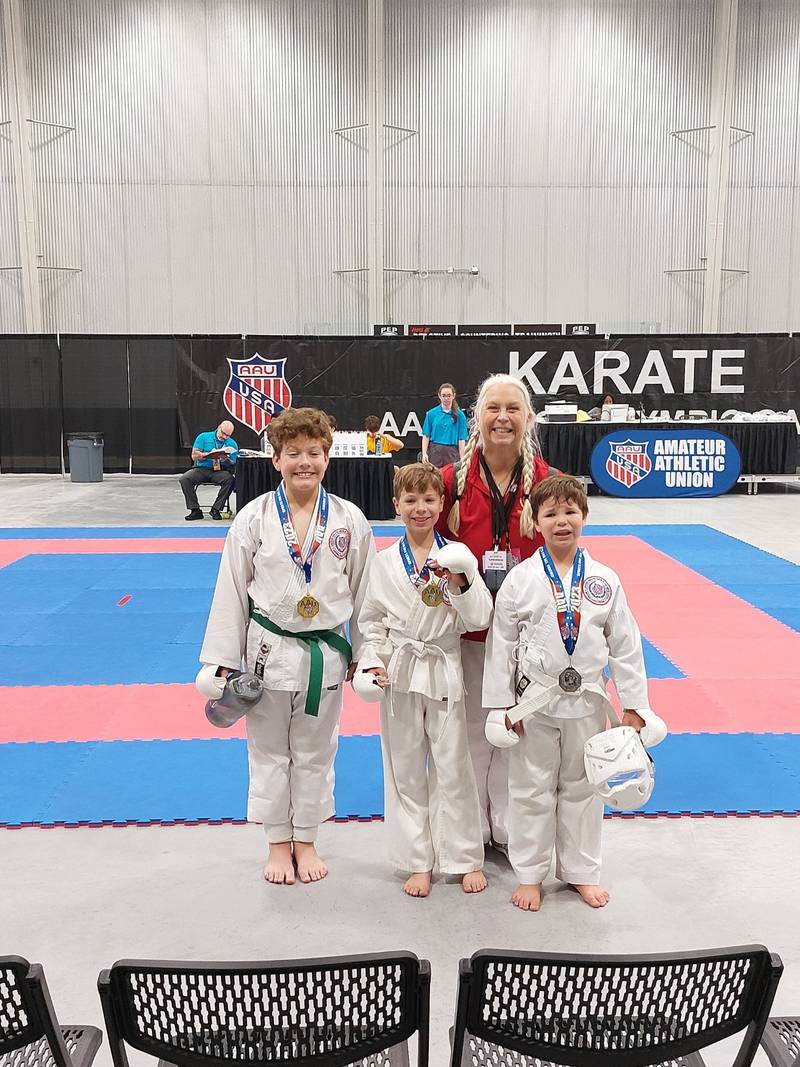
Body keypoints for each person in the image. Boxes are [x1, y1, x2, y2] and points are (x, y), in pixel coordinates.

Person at [199, 408, 375, 885]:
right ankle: (278, 841)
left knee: (318, 752)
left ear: (327, 457)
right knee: (269, 751)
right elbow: (232, 590)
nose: (304, 462)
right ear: (275, 459)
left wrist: (367, 657)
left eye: (314, 453)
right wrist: (219, 662)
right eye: (293, 453)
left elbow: (365, 595)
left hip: (326, 655)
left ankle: (307, 838)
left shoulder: (349, 519)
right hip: (266, 656)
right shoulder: (252, 518)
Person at [483, 475, 649, 911]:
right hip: (534, 702)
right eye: (551, 514)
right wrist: (501, 707)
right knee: (530, 788)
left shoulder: (604, 580)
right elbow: (501, 647)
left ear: (585, 517)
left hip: (588, 701)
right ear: (534, 521)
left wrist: (634, 706)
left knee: (583, 787)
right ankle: (530, 874)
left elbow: (626, 644)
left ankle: (580, 871)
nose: (562, 522)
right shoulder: (519, 580)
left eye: (570, 512)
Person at [356, 463, 492, 898]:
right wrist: (371, 664)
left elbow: (480, 618)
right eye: (410, 501)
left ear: (441, 504)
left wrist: (460, 583)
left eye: (429, 500)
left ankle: (464, 857)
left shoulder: (458, 556)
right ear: (396, 506)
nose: (420, 509)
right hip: (400, 672)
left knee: (455, 765)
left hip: (444, 668)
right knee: (406, 770)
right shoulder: (381, 563)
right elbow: (371, 623)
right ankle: (418, 861)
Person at [435, 373, 555, 852]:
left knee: (517, 730)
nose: (502, 417)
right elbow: (423, 548)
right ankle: (469, 828)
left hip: (526, 639)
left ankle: (507, 825)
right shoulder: (448, 483)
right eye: (492, 408)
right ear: (475, 418)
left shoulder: (548, 483)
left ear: (528, 418)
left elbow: (563, 559)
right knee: (467, 735)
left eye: (513, 408)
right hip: (464, 632)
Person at [180, 420, 239, 520]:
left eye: (227, 435)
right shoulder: (203, 437)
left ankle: (216, 509)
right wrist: (206, 455)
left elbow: (234, 463)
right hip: (202, 469)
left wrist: (227, 459)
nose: (224, 437)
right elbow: (194, 456)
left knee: (230, 480)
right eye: (223, 433)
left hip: (219, 471)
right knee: (185, 479)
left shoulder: (232, 444)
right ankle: (195, 510)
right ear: (219, 427)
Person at [421, 383, 468, 467]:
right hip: (435, 451)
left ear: (453, 396)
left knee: (450, 477)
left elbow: (461, 439)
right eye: (444, 395)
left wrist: (462, 458)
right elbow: (426, 435)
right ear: (439, 396)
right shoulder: (431, 414)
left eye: (449, 395)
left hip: (452, 452)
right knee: (434, 478)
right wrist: (424, 453)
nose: (446, 398)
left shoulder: (460, 415)